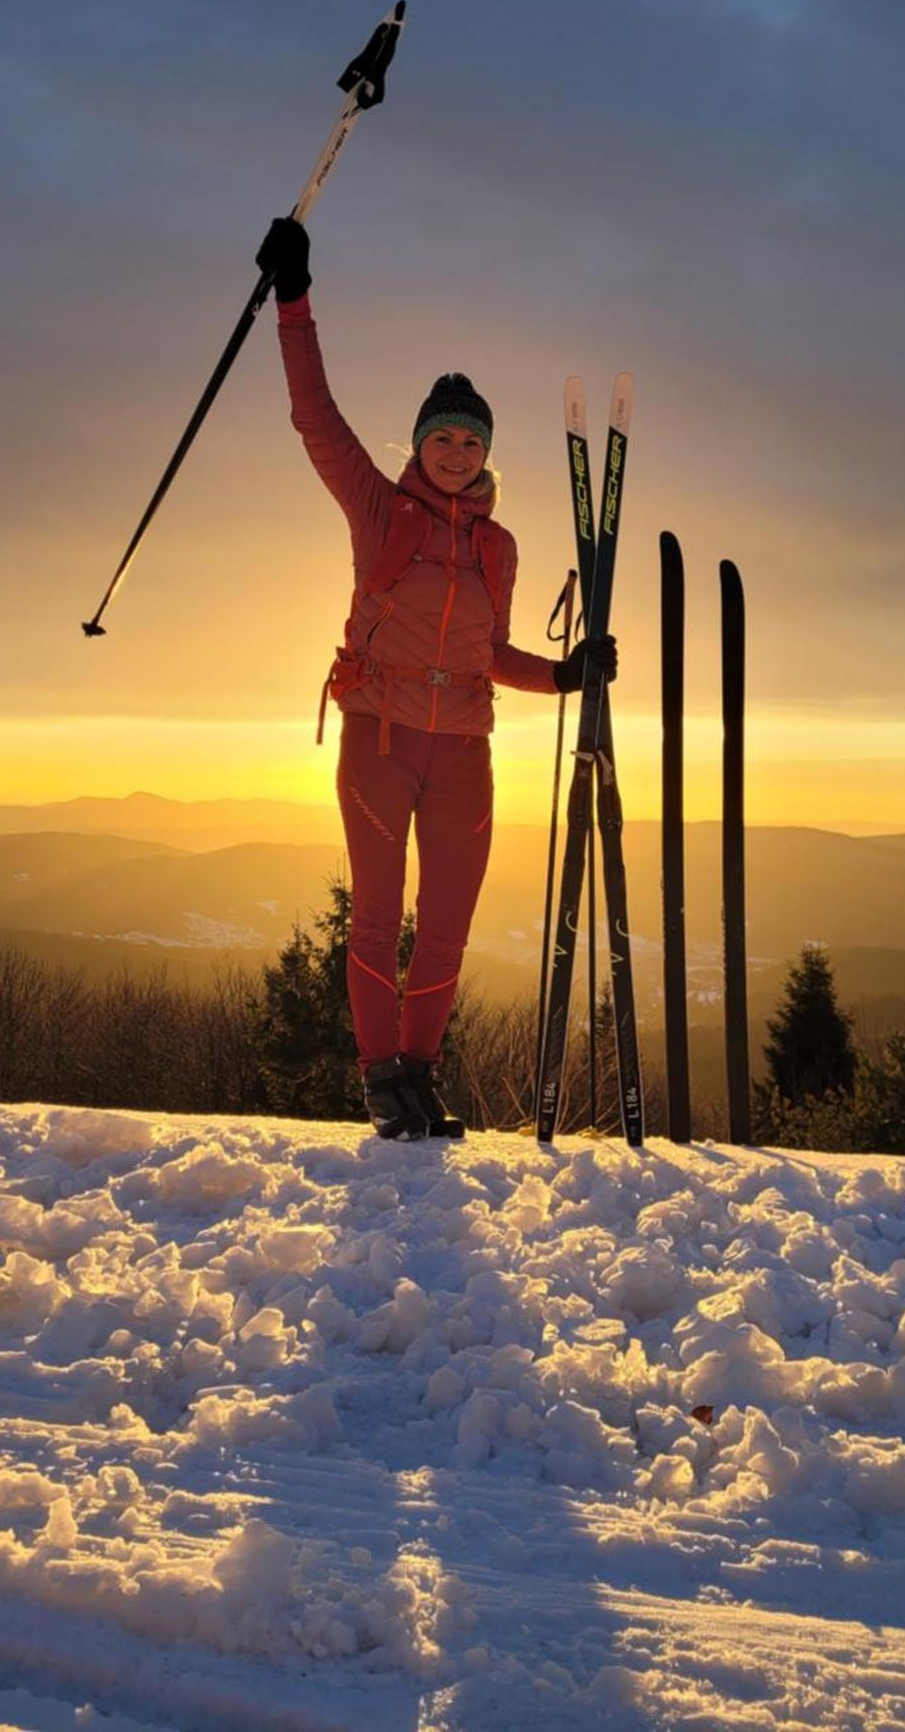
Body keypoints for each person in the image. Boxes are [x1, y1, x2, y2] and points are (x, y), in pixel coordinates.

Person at [257, 216, 616, 1142]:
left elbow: (488, 654)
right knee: (377, 918)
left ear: (485, 455)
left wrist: (565, 676)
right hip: (379, 741)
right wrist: (294, 299)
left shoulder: (497, 547)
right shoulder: (379, 509)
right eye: (441, 439)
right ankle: (381, 1080)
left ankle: (420, 1074)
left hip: (465, 753)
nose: (455, 453)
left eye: (470, 442)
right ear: (419, 446)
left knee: (448, 924)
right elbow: (316, 420)